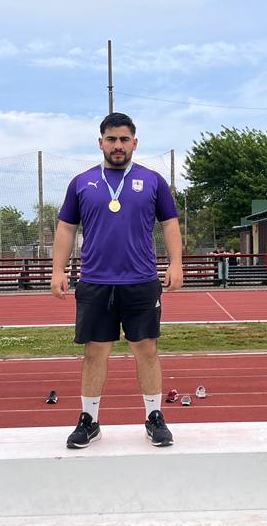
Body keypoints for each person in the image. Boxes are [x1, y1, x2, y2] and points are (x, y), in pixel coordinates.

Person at [51, 112, 183, 449]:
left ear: (134, 142)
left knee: (147, 348)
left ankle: (154, 416)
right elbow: (66, 227)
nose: (118, 145)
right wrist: (57, 270)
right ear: (100, 142)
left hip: (140, 279)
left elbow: (169, 223)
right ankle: (89, 420)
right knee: (95, 351)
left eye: (124, 139)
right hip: (95, 280)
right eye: (111, 139)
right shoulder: (81, 182)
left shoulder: (152, 180)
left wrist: (176, 263)